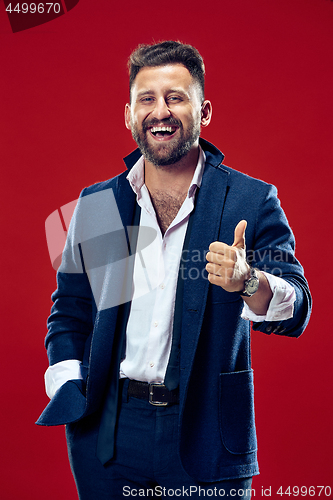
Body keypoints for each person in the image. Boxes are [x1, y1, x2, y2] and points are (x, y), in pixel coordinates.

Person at [37, 41, 311, 499]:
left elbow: (297, 305)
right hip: (107, 437)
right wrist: (70, 387)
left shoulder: (251, 200)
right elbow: (71, 308)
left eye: (176, 97)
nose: (160, 111)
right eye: (147, 98)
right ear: (128, 115)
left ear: (203, 112)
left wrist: (249, 281)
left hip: (207, 433)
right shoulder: (99, 204)